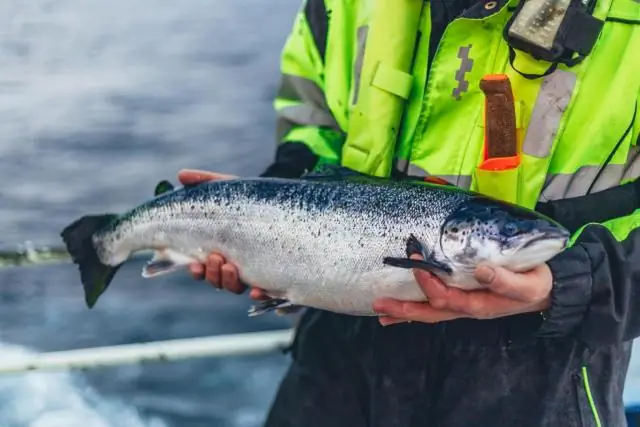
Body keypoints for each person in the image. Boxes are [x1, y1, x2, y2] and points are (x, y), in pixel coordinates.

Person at [179, 0, 640, 425]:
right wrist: (260, 221)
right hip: (335, 360)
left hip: (546, 375)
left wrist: (580, 282)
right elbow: (310, 118)